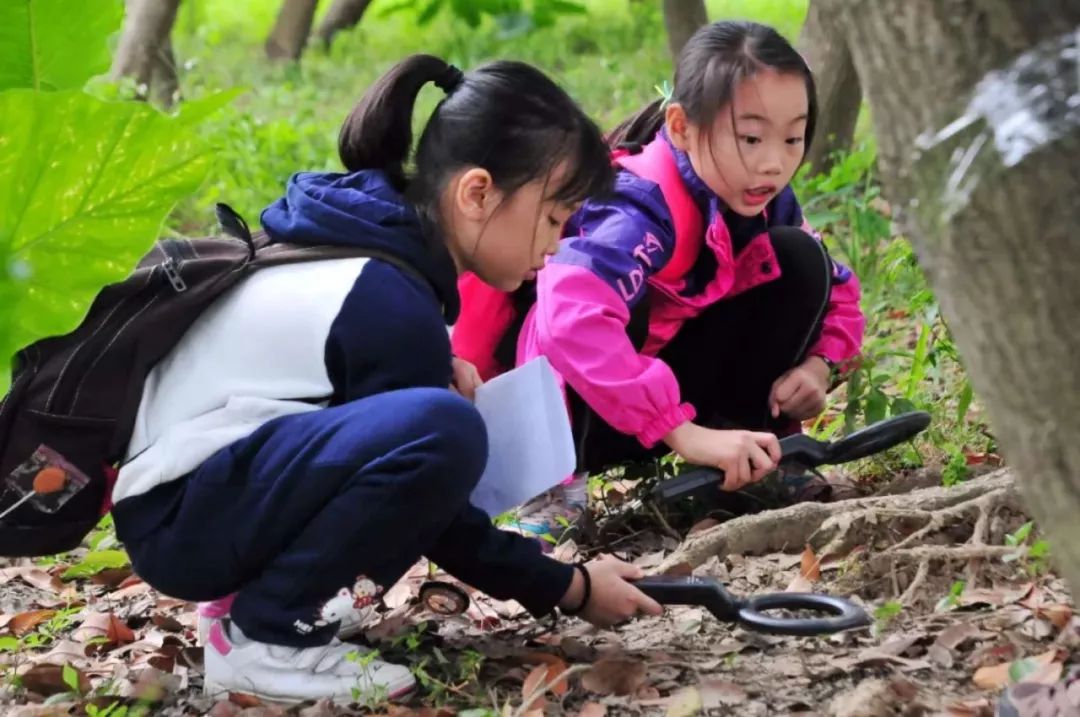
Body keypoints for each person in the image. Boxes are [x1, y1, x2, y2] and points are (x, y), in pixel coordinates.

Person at [109, 54, 662, 705]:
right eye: (552, 219)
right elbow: (444, 521)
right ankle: (267, 636)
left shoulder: (377, 247)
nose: (556, 245)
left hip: (191, 500)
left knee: (435, 422)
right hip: (184, 516)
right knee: (447, 430)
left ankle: (252, 606)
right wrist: (570, 586)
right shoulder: (388, 299)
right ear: (477, 192)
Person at [452, 21, 866, 537]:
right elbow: (567, 324)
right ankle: (556, 493)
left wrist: (820, 366)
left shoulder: (762, 199)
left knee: (799, 259)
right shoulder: (634, 208)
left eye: (792, 138)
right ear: (681, 127)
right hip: (574, 414)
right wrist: (682, 433)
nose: (774, 162)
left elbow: (839, 290)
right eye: (751, 137)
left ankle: (749, 457)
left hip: (663, 396)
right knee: (613, 305)